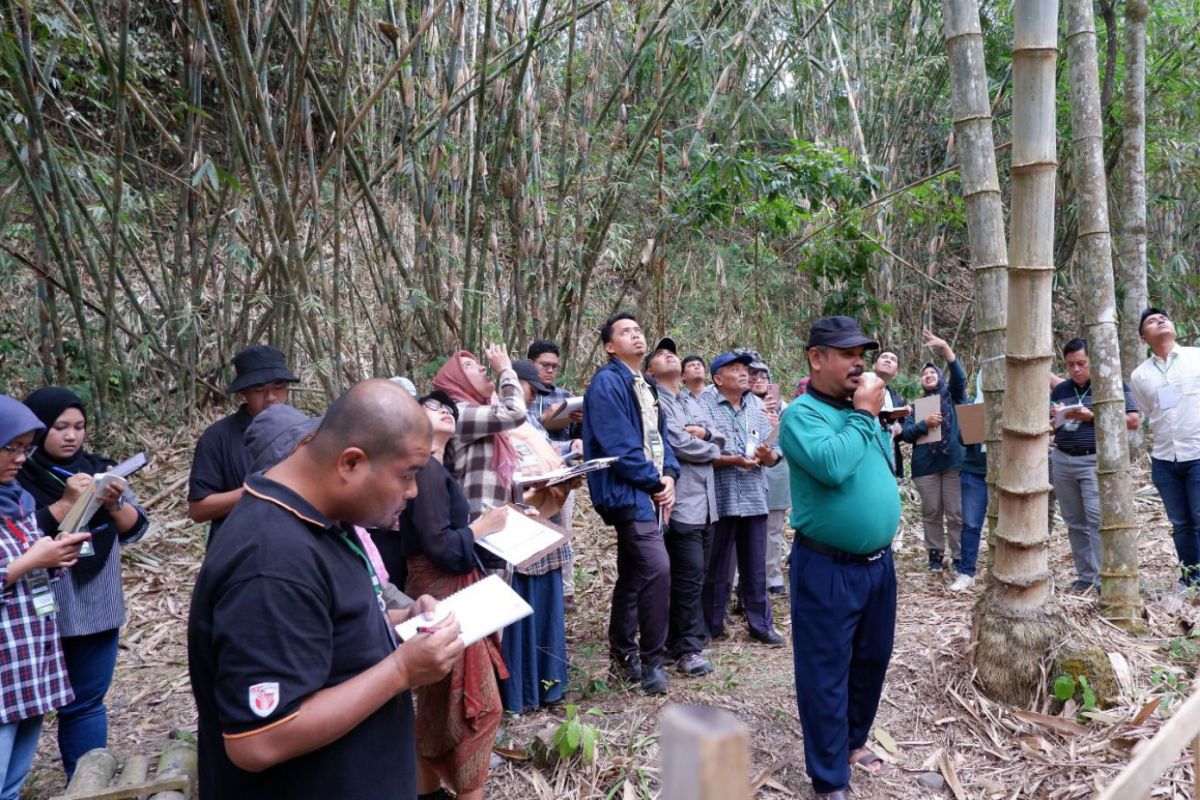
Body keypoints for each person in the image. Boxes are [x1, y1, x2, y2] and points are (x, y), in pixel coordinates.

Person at [188, 380, 465, 800]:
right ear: (351, 463)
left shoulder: (323, 521)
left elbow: (326, 628)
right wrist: (401, 671)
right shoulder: (271, 561)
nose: (413, 491)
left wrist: (402, 619)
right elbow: (257, 741)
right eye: (408, 475)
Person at [780, 317, 900, 800]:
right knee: (825, 672)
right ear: (816, 358)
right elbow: (831, 466)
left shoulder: (857, 411)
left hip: (878, 566)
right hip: (827, 567)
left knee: (871, 659)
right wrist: (866, 414)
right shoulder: (800, 415)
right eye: (848, 354)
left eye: (862, 355)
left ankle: (852, 742)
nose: (859, 364)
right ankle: (829, 778)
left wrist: (866, 414)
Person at [17, 388, 150, 778]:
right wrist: (65, 503)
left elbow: (136, 530)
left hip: (96, 604)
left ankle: (87, 781)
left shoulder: (103, 470)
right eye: (60, 427)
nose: (71, 436)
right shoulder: (16, 478)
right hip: (37, 608)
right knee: (27, 706)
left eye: (79, 426)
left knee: (88, 701)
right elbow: (17, 539)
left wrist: (111, 501)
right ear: (39, 430)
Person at [389, 392, 508, 800]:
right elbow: (440, 545)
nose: (446, 412)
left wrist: (489, 528)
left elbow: (445, 535)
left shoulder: (435, 470)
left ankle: (429, 793)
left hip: (441, 587)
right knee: (478, 708)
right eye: (434, 406)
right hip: (438, 591)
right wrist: (482, 528)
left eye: (451, 410)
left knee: (439, 703)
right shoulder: (422, 472)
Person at [582, 313, 679, 695]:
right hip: (629, 493)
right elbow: (619, 445)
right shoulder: (608, 383)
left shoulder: (646, 385)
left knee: (635, 574)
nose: (636, 335)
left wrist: (670, 473)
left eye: (638, 330)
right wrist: (655, 481)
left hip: (649, 489)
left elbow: (660, 438)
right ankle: (653, 660)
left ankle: (623, 659)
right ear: (610, 346)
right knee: (657, 568)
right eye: (625, 332)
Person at [0, 396, 90, 800]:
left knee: (13, 782)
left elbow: (26, 563)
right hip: (3, 666)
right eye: (10, 447)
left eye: (25, 448)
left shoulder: (17, 500)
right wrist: (28, 562)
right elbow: (16, 565)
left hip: (29, 657)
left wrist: (53, 558)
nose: (20, 458)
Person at [644, 338, 722, 676]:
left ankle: (676, 642)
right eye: (660, 354)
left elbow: (719, 436)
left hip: (706, 504)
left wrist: (704, 434)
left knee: (696, 575)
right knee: (687, 577)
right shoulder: (656, 402)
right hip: (681, 503)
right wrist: (708, 442)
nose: (669, 355)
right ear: (649, 370)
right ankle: (689, 649)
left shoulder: (692, 400)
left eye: (670, 351)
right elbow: (678, 443)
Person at [500, 368, 575, 712]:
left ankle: (549, 684)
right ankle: (522, 690)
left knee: (547, 601)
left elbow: (544, 447)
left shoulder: (531, 420)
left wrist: (569, 453)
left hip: (546, 519)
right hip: (517, 525)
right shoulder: (493, 419)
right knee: (521, 605)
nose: (533, 396)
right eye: (530, 389)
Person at [702, 351, 785, 646]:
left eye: (744, 369)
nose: (743, 373)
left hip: (754, 497)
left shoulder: (758, 407)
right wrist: (734, 460)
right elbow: (700, 453)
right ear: (717, 378)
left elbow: (775, 456)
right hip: (720, 498)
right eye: (734, 368)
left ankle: (761, 625)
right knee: (718, 568)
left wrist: (767, 456)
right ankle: (711, 625)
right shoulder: (705, 406)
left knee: (755, 567)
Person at [1050, 338, 1141, 594]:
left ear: (1092, 361)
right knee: (1073, 521)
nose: (1076, 369)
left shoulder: (1109, 383)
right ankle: (1085, 576)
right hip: (1062, 458)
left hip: (1094, 459)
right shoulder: (1060, 390)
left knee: (1096, 519)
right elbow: (1050, 424)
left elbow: (1133, 420)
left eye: (1081, 363)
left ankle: (1104, 579)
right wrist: (1054, 415)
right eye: (1070, 365)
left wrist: (1092, 416)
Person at [188, 344, 298, 541]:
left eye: (278, 387)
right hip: (238, 548)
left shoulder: (305, 431)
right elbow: (199, 510)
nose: (271, 397)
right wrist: (259, 489)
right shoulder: (218, 438)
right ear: (244, 393)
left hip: (297, 546)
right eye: (259, 390)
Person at [1129, 308, 1200, 589]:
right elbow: (1148, 412)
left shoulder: (1196, 358)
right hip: (1164, 458)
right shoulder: (1139, 376)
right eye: (1150, 321)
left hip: (1197, 452)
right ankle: (1191, 579)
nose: (1160, 321)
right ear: (1143, 338)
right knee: (1181, 523)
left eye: (1163, 318)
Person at [901, 331, 967, 573]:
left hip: (953, 463)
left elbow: (959, 378)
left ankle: (959, 557)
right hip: (925, 467)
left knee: (956, 513)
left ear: (939, 378)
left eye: (932, 373)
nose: (928, 376)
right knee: (931, 512)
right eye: (924, 374)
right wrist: (923, 424)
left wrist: (945, 347)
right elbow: (906, 434)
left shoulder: (952, 397)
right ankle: (935, 557)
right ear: (920, 382)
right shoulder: (916, 407)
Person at [435, 346, 526, 516]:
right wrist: (506, 369)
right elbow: (516, 412)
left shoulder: (488, 420)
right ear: (457, 381)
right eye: (469, 366)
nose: (482, 367)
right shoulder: (457, 413)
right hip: (477, 530)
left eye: (478, 363)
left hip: (499, 528)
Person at [525, 341, 582, 607]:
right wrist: (545, 420)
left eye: (554, 367)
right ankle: (539, 589)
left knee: (562, 529)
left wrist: (579, 422)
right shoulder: (520, 398)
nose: (549, 371)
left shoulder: (564, 396)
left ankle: (565, 590)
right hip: (529, 479)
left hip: (561, 477)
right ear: (530, 364)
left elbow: (577, 440)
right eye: (544, 365)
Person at [750, 361, 790, 596]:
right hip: (747, 471)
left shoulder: (785, 409)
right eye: (753, 376)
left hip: (776, 472)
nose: (758, 381)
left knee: (773, 530)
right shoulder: (740, 405)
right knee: (744, 530)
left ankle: (772, 576)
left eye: (763, 377)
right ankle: (739, 578)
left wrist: (776, 419)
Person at [952, 371, 987, 593]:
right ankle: (966, 572)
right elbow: (962, 439)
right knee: (971, 524)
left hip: (1007, 472)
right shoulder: (973, 403)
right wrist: (972, 423)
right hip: (974, 471)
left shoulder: (1014, 402)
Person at [870, 351, 907, 479]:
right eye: (884, 357)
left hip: (890, 455)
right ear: (874, 365)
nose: (888, 360)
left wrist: (900, 428)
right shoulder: (859, 388)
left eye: (893, 359)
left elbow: (902, 424)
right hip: (865, 452)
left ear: (896, 372)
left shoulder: (895, 397)